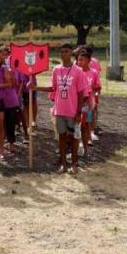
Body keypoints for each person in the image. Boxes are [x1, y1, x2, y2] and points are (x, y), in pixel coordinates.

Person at [35, 44, 89, 174]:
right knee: (62, 137)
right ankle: (63, 163)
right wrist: (35, 88)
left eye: (66, 51)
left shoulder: (78, 71)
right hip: (59, 110)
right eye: (61, 52)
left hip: (73, 111)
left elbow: (81, 93)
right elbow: (52, 88)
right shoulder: (56, 69)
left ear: (71, 54)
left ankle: (74, 162)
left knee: (74, 138)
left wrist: (78, 112)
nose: (63, 54)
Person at [0, 45, 18, 160]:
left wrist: (10, 76)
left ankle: (11, 144)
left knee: (10, 124)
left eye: (5, 54)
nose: (4, 56)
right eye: (1, 54)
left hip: (11, 100)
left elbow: (14, 84)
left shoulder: (11, 68)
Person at [76, 49, 101, 156]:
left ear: (88, 61)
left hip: (88, 103)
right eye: (78, 60)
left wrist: (95, 96)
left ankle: (85, 147)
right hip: (75, 103)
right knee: (76, 125)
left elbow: (97, 87)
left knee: (85, 124)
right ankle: (76, 146)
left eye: (81, 60)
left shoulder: (93, 73)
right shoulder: (75, 72)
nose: (79, 62)